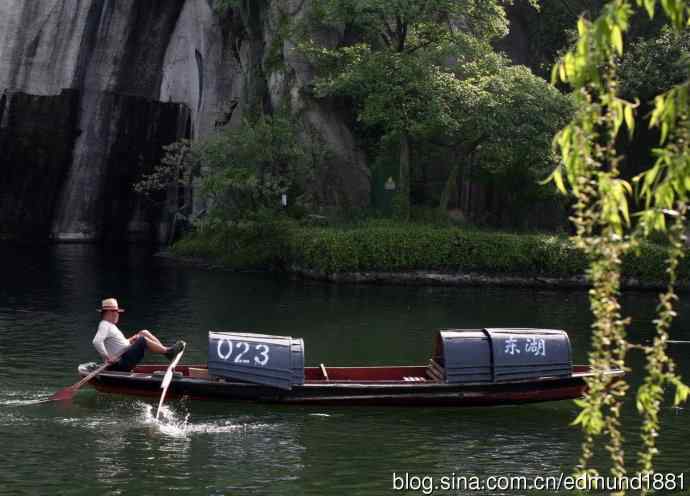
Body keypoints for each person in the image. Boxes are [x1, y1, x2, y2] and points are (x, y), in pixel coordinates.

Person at [92, 298, 185, 372]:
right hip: (118, 364)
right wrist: (107, 358)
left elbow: (119, 345)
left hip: (123, 357)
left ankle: (167, 352)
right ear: (109, 312)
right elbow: (96, 342)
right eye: (116, 312)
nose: (118, 314)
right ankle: (168, 352)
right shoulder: (104, 325)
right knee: (142, 339)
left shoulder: (110, 325)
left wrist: (130, 340)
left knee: (143, 332)